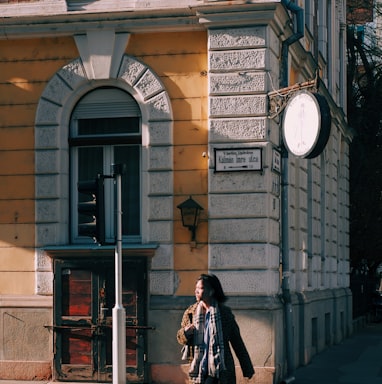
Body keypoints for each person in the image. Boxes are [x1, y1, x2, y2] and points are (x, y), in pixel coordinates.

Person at [177, 274, 255, 384]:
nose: (196, 291)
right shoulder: (191, 313)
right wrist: (185, 333)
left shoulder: (225, 314)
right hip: (199, 369)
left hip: (221, 369)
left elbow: (237, 342)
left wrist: (247, 368)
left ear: (211, 291)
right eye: (196, 288)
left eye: (200, 288)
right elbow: (180, 338)